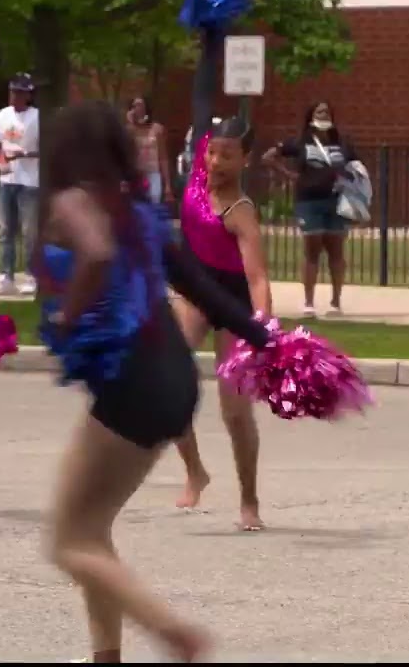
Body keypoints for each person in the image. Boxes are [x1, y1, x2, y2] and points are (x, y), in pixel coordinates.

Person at [32, 99, 271, 664]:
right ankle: (106, 656)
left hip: (132, 383)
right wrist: (267, 340)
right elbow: (206, 289)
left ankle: (173, 634)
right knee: (94, 530)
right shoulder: (138, 211)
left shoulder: (75, 201)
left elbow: (93, 253)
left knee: (67, 540)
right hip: (174, 381)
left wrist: (67, 316)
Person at [171, 27, 273, 532]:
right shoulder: (195, 179)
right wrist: (209, 43)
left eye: (227, 155)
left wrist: (263, 327)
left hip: (231, 301)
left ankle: (249, 500)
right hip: (193, 292)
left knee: (235, 412)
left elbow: (256, 277)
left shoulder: (240, 210)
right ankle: (195, 470)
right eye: (212, 152)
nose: (215, 162)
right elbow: (200, 93)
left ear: (244, 159)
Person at [262, 101, 357, 317]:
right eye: (319, 111)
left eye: (326, 111)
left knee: (336, 250)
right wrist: (288, 174)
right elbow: (268, 156)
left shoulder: (342, 143)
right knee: (311, 249)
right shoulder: (300, 142)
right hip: (308, 201)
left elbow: (355, 167)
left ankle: (335, 301)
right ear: (311, 116)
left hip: (336, 201)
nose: (323, 115)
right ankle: (309, 302)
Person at [0, 73, 40, 296]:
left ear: (28, 94)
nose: (15, 96)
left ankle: (32, 276)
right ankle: (6, 276)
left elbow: (46, 149)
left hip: (30, 181)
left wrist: (26, 154)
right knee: (5, 229)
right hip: (7, 178)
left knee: (29, 231)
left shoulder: (37, 117)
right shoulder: (3, 115)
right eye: (12, 91)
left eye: (20, 92)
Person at [125, 96, 173, 206]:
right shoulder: (129, 130)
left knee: (154, 200)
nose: (137, 108)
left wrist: (167, 185)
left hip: (153, 172)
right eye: (134, 105)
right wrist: (130, 123)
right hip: (137, 174)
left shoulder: (157, 129)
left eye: (140, 104)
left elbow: (163, 157)